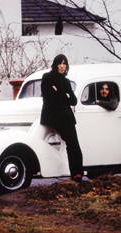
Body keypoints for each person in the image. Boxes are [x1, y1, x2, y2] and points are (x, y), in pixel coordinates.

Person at [40, 54, 83, 182]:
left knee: (74, 145)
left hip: (67, 118)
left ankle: (77, 173)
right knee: (71, 144)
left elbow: (74, 101)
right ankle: (75, 172)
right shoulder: (47, 77)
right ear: (55, 65)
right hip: (54, 116)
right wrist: (64, 95)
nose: (62, 66)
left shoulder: (66, 81)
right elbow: (49, 97)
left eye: (64, 64)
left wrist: (59, 92)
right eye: (60, 63)